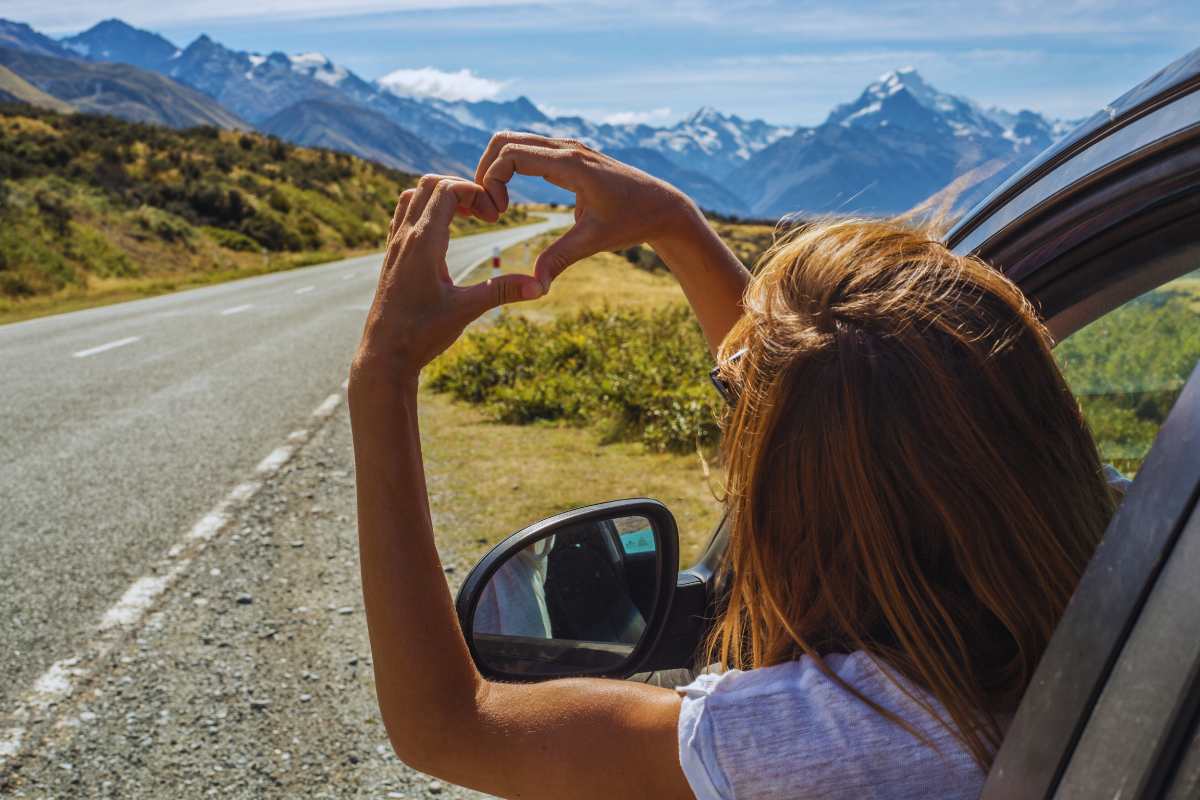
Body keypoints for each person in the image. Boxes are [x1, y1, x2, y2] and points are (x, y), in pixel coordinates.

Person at [347, 132, 1116, 799]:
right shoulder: (1134, 557)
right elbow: (836, 414)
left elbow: (449, 725)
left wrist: (381, 374)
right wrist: (674, 226)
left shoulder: (812, 744)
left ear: (804, 507)